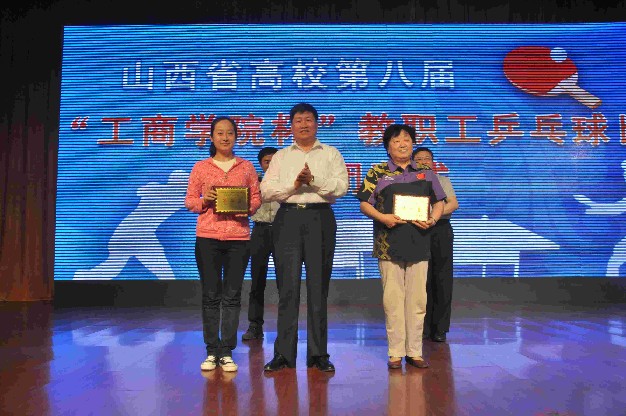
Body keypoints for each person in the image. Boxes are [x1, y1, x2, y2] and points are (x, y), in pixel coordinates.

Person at [260, 103, 349, 372]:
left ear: (317, 123)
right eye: (298, 120)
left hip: (320, 218)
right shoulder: (281, 156)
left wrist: (314, 181)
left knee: (318, 288)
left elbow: (341, 187)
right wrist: (295, 185)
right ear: (290, 126)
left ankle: (318, 354)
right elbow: (266, 191)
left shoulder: (331, 153)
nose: (303, 124)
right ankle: (283, 354)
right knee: (287, 289)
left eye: (308, 119)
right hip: (287, 218)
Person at [357, 124, 445, 370]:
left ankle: (415, 352)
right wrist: (383, 217)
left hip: (420, 241)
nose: (402, 144)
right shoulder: (377, 172)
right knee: (393, 300)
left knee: (417, 301)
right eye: (396, 140)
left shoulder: (426, 172)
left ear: (413, 144)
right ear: (388, 147)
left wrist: (433, 219)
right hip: (388, 243)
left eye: (406, 139)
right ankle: (395, 352)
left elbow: (439, 202)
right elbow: (364, 204)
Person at [184, 116, 261, 372]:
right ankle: (211, 350)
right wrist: (205, 200)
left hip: (239, 238)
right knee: (210, 295)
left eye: (229, 133)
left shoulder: (246, 167)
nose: (225, 137)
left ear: (236, 137)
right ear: (211, 137)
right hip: (208, 238)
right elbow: (190, 201)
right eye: (220, 133)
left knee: (232, 295)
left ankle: (227, 351)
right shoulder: (200, 167)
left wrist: (244, 208)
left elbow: (256, 199)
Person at [413, 147, 459, 343]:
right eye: (419, 159)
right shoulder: (408, 182)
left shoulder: (442, 180)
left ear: (432, 162)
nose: (423, 162)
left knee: (442, 279)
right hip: (417, 230)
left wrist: (433, 215)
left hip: (440, 229)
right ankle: (422, 327)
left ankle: (440, 328)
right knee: (420, 280)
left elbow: (453, 204)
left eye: (427, 159)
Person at [242, 147, 280, 341]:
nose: (270, 165)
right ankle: (255, 325)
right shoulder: (253, 183)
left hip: (283, 231)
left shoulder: (289, 182)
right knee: (257, 280)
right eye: (267, 161)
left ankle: (286, 327)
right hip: (260, 230)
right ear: (261, 164)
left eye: (274, 161)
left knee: (286, 282)